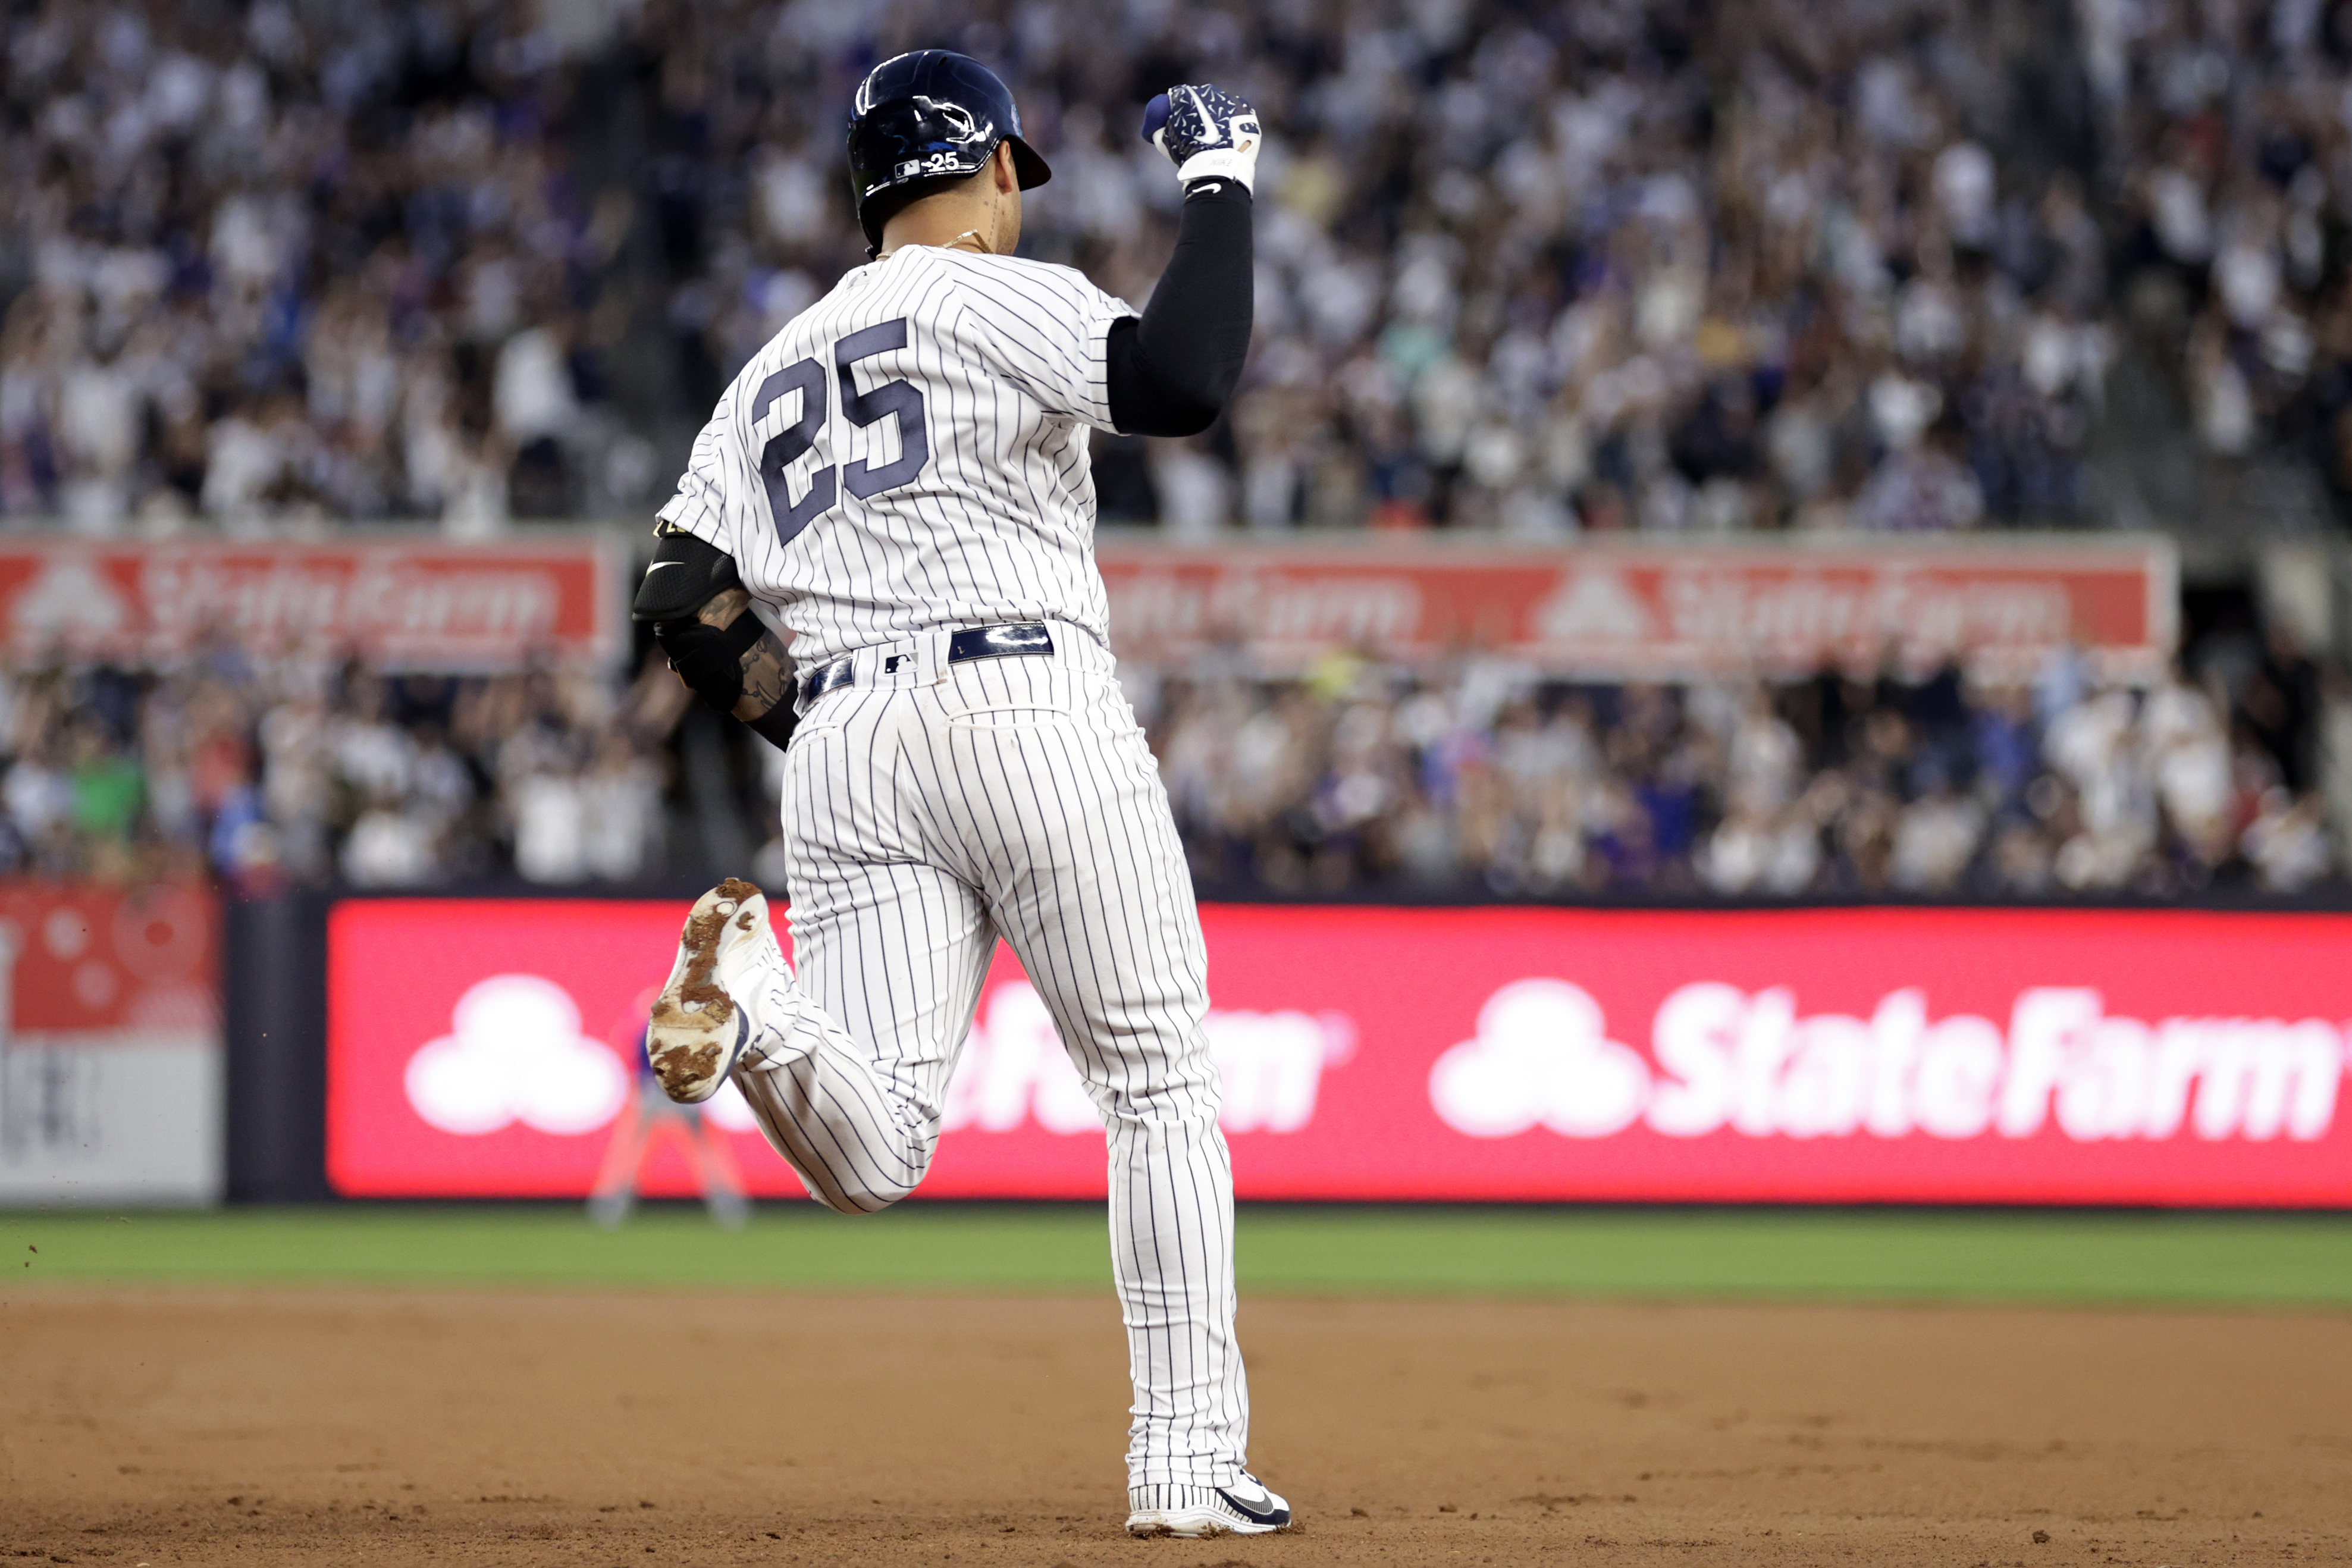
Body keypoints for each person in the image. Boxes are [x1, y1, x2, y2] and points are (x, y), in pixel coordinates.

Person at [624, 52, 1285, 1538]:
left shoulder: (765, 371)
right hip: (1026, 696)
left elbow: (675, 594)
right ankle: (1182, 1469)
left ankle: (759, 999)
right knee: (1159, 1084)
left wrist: (818, 718)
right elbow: (1183, 381)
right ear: (987, 164)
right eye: (1014, 169)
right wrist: (1222, 185)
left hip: (849, 735)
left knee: (875, 1155)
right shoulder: (994, 289)